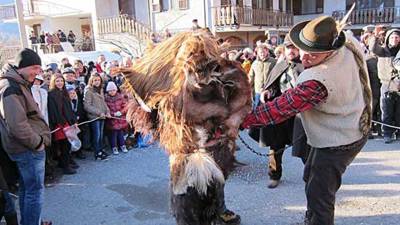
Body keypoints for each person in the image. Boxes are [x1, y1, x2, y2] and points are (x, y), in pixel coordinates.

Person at [241, 16, 371, 225]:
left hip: (339, 141)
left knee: (320, 195)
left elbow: (279, 109)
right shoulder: (345, 41)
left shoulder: (318, 80)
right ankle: (312, 216)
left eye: (315, 54)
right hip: (350, 126)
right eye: (304, 50)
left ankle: (317, 220)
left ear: (330, 51)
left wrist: (240, 120)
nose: (306, 58)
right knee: (310, 174)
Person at [0, 48, 51, 225]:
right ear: (22, 66)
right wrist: (37, 143)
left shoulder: (17, 83)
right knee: (34, 192)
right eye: (35, 68)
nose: (38, 73)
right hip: (27, 149)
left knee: (27, 190)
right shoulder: (10, 87)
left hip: (25, 148)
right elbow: (16, 125)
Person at [256, 35, 304, 188]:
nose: (291, 51)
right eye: (288, 48)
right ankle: (274, 175)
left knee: (305, 145)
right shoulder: (279, 66)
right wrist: (268, 92)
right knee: (275, 145)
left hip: (299, 113)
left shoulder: (305, 66)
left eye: (294, 48)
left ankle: (312, 174)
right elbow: (272, 85)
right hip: (281, 112)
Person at [369, 26, 400, 143]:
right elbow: (372, 47)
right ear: (388, 38)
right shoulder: (382, 51)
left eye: (397, 37)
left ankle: (398, 133)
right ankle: (387, 133)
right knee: (386, 111)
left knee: (398, 112)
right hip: (386, 84)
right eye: (392, 37)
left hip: (398, 84)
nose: (395, 39)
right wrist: (375, 36)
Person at [48, 74, 78, 175]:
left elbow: (68, 108)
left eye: (61, 81)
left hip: (67, 122)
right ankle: (65, 166)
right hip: (59, 124)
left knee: (68, 144)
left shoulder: (64, 92)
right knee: (63, 145)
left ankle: (66, 162)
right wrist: (60, 122)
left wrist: (72, 121)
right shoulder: (51, 94)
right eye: (57, 81)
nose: (60, 83)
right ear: (53, 82)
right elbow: (53, 111)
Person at [84, 73, 110, 160]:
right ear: (91, 81)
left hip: (102, 116)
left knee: (101, 135)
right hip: (94, 117)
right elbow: (87, 106)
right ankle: (97, 152)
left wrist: (108, 112)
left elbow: (103, 103)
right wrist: (98, 112)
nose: (97, 82)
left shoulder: (101, 89)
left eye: (98, 80)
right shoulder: (88, 90)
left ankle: (100, 149)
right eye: (95, 80)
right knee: (96, 135)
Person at [104, 82, 129, 155]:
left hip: (120, 119)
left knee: (121, 133)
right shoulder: (106, 99)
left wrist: (121, 112)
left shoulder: (120, 97)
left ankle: (123, 145)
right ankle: (114, 147)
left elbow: (125, 107)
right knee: (113, 134)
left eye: (113, 90)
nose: (112, 92)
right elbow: (106, 109)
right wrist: (112, 114)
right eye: (110, 91)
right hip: (112, 119)